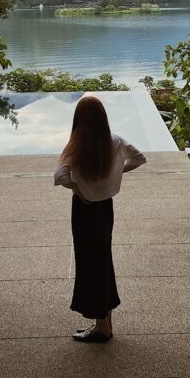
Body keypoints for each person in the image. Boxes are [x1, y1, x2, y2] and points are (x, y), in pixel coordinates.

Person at [54, 95, 147, 342]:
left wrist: (77, 188)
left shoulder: (76, 146)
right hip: (106, 208)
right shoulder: (115, 141)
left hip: (84, 209)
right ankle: (105, 323)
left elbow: (60, 176)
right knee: (103, 260)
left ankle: (101, 327)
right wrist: (116, 172)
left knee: (89, 263)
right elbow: (139, 158)